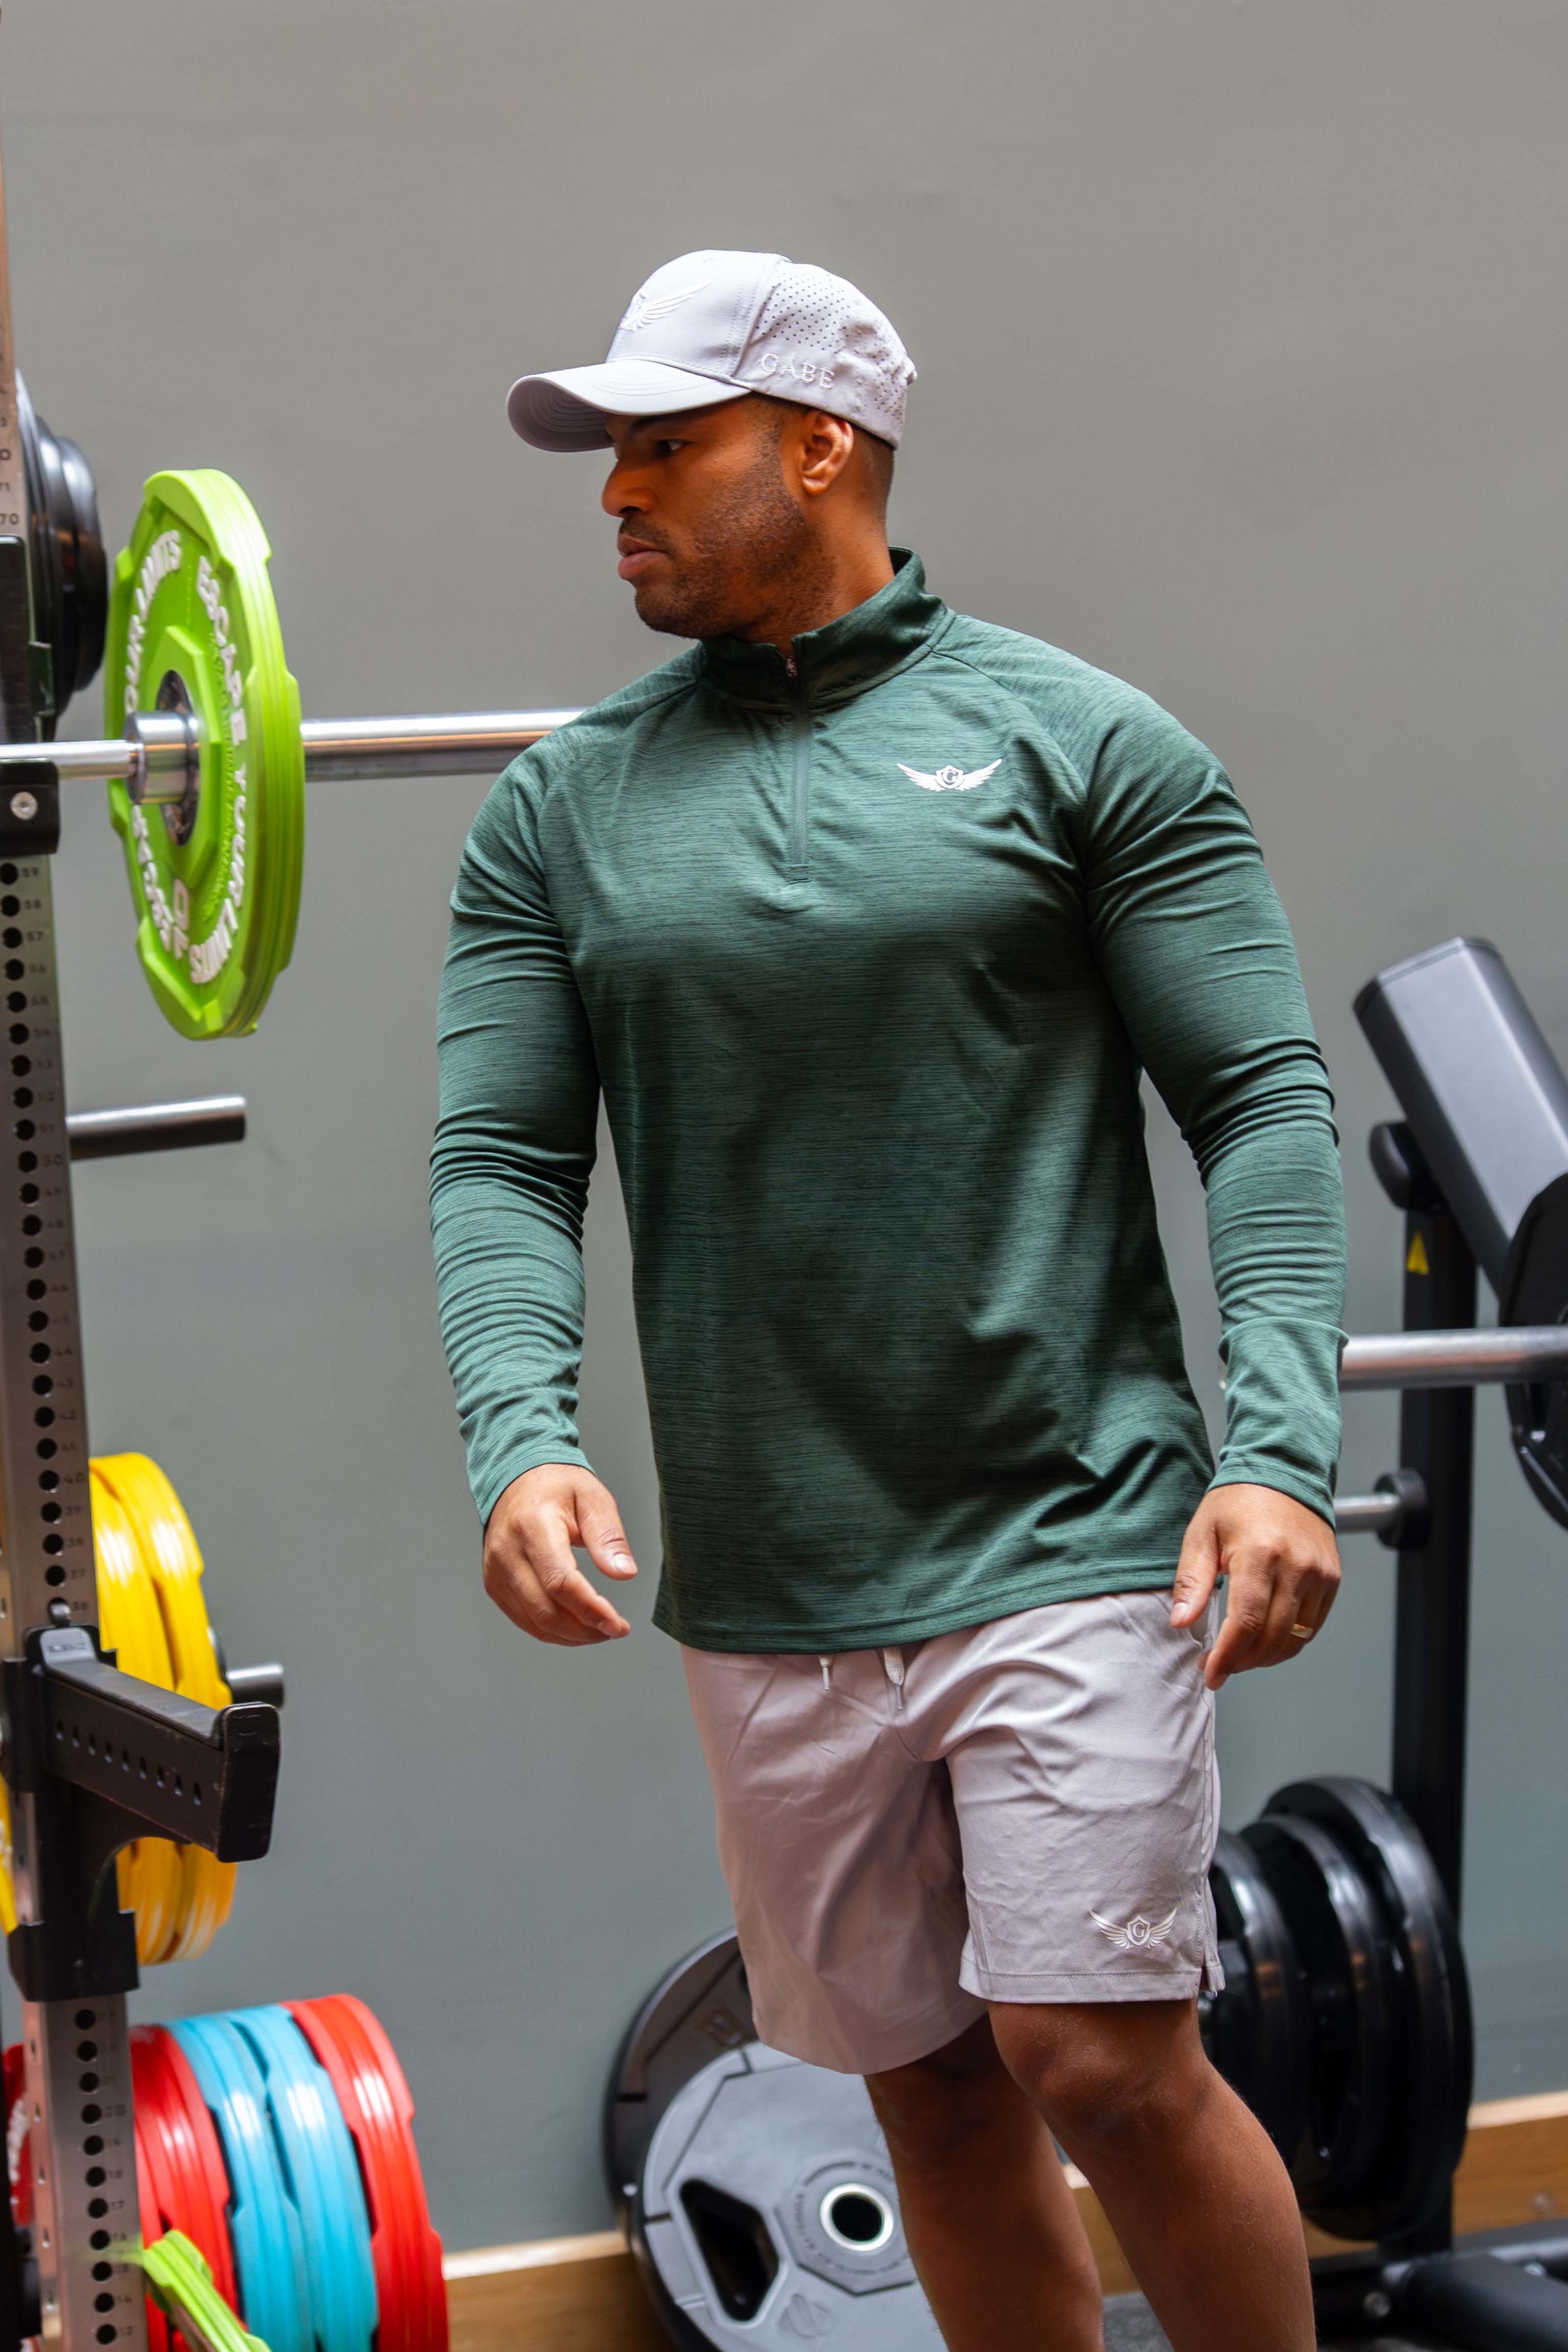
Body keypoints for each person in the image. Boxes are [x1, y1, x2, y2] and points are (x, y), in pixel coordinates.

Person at [431, 249, 1346, 2352]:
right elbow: (500, 1162)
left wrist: (1282, 1451)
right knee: (926, 2094)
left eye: (668, 444)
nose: (616, 492)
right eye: (611, 453)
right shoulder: (558, 811)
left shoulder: (1081, 743)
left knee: (1097, 2058)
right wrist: (521, 1434)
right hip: (772, 1569)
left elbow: (1261, 1102)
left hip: (1073, 1522)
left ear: (822, 446)